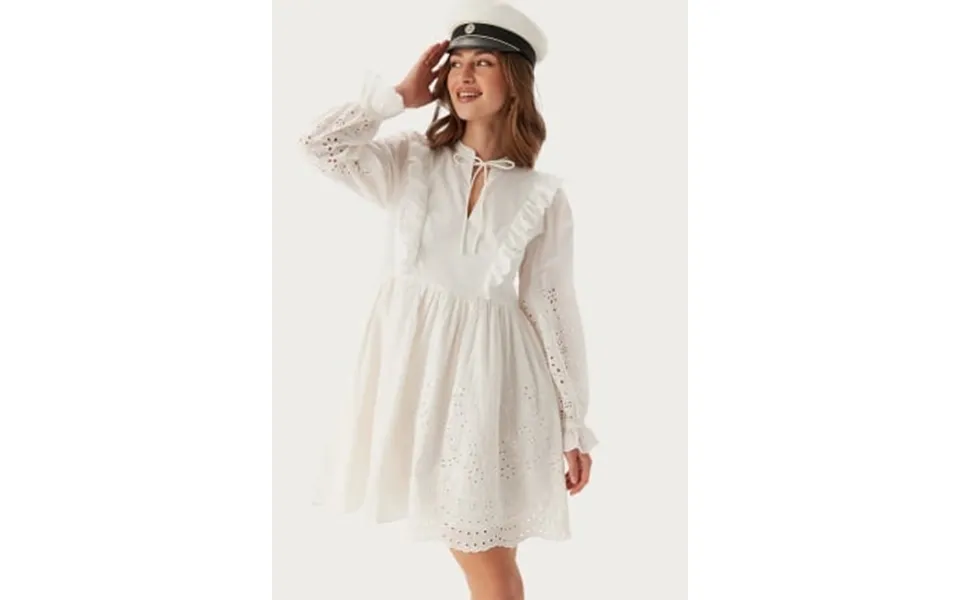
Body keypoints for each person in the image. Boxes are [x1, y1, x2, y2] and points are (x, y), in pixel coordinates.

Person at [300, 2, 597, 598]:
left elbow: (553, 308)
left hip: (494, 387)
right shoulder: (411, 161)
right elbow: (319, 145)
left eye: (482, 63)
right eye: (456, 63)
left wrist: (573, 424)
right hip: (416, 377)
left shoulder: (540, 195)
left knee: (487, 558)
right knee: (485, 561)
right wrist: (395, 98)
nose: (463, 75)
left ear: (514, 80)